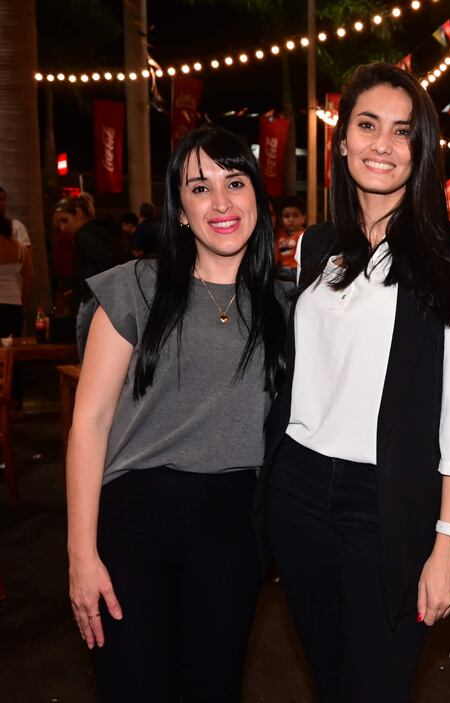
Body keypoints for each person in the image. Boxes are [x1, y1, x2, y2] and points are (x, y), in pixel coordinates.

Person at [262, 62, 450, 703]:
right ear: (341, 139)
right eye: (367, 125)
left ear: (422, 151)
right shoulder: (315, 244)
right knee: (329, 682)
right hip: (297, 490)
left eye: (402, 131)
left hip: (389, 503)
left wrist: (448, 543)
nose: (382, 144)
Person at [66, 125, 286, 702]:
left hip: (232, 528)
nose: (220, 202)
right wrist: (80, 556)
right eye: (199, 187)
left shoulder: (285, 304)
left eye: (235, 182)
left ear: (258, 201)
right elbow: (88, 424)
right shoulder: (134, 288)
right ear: (180, 212)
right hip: (133, 523)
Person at [68, 193, 129, 357]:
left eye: (65, 221)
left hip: (96, 294)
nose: (64, 227)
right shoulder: (106, 231)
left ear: (79, 213)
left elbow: (102, 258)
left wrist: (90, 290)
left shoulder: (84, 235)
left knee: (86, 344)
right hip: (117, 293)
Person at [0, 215, 34, 336]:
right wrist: (22, 303)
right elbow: (29, 280)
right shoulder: (21, 249)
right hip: (14, 306)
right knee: (12, 349)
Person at [274, 195, 307, 282]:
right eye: (286, 216)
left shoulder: (304, 234)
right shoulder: (278, 234)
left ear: (303, 218)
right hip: (282, 270)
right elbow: (276, 252)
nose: (291, 219)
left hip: (298, 269)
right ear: (280, 219)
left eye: (295, 216)